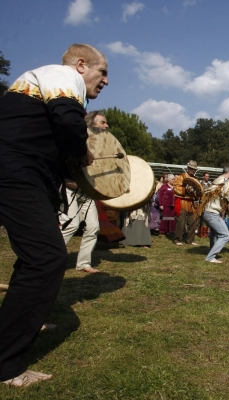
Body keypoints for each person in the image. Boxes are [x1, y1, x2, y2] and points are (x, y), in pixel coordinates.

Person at [0, 43, 108, 386]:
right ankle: (6, 363)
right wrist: (83, 152)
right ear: (81, 65)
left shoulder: (43, 83)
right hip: (16, 171)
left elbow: (49, 138)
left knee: (35, 259)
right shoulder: (63, 77)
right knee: (46, 258)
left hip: (24, 171)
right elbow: (66, 121)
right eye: (102, 72)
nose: (106, 80)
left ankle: (26, 319)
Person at [58, 110, 108, 274]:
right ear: (91, 124)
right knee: (70, 225)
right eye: (102, 122)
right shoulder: (76, 140)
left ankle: (83, 263)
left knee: (93, 227)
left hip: (87, 191)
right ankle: (50, 259)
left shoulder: (103, 146)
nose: (106, 125)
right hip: (69, 187)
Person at [197, 165, 229, 263]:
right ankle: (210, 257)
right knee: (225, 235)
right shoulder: (225, 182)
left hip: (208, 212)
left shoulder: (216, 181)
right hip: (212, 213)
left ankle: (213, 251)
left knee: (214, 233)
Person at [173, 161, 201, 246]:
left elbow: (199, 191)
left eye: (194, 169)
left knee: (193, 222)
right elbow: (176, 188)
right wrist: (186, 190)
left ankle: (190, 240)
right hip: (182, 201)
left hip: (192, 203)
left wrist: (196, 194)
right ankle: (178, 239)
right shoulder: (181, 177)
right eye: (191, 169)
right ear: (188, 168)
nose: (193, 171)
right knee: (180, 222)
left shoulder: (196, 179)